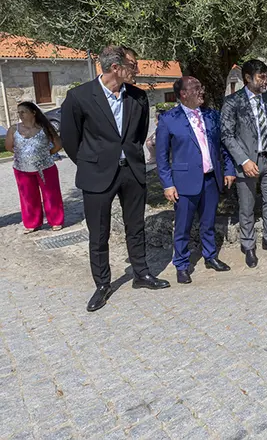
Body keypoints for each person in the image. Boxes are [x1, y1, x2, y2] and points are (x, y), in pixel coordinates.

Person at [61, 45, 170, 312]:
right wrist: (91, 162)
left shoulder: (138, 97)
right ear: (115, 68)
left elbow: (138, 133)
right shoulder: (79, 97)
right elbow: (70, 139)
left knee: (136, 226)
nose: (137, 70)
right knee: (99, 234)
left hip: (131, 171)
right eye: (132, 65)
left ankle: (141, 274)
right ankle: (102, 284)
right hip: (97, 175)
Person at [156, 77, 236, 284]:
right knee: (182, 227)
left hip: (211, 179)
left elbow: (222, 147)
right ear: (183, 93)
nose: (202, 91)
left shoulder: (211, 115)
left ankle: (210, 256)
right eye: (196, 88)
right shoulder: (169, 119)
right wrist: (167, 184)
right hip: (184, 183)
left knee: (208, 223)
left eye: (201, 87)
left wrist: (228, 170)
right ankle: (181, 265)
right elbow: (162, 156)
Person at [221, 58, 267, 268]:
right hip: (247, 162)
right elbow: (226, 135)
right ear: (248, 78)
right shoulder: (233, 102)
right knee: (247, 207)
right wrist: (243, 160)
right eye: (261, 77)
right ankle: (248, 245)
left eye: (266, 76)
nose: (265, 80)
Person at [6, 101, 65, 233]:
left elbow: (58, 144)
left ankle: (56, 221)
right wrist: (24, 155)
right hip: (22, 169)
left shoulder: (44, 127)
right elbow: (9, 147)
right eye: (19, 112)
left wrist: (46, 154)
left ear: (33, 113)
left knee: (51, 195)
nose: (20, 115)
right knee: (27, 196)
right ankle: (32, 223)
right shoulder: (13, 129)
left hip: (46, 167)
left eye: (23, 112)